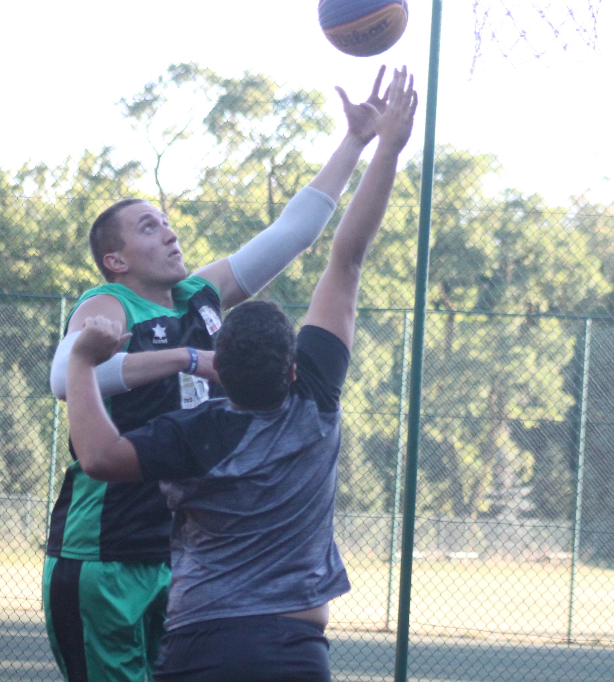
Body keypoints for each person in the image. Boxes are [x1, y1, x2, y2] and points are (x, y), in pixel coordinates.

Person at [43, 65, 402, 682]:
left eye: (166, 219)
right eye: (148, 225)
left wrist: (356, 141)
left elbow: (299, 232)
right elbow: (62, 378)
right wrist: (187, 359)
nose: (171, 231)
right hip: (107, 546)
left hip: (185, 550)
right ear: (116, 258)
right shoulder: (107, 304)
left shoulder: (201, 294)